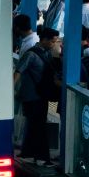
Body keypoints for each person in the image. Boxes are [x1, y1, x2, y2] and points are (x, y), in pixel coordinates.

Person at [16, 29, 53, 161]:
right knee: (38, 126)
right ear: (45, 40)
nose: (54, 44)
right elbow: (18, 71)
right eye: (53, 41)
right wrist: (13, 89)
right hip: (31, 96)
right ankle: (40, 156)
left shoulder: (47, 54)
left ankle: (29, 153)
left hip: (41, 96)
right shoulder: (31, 54)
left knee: (35, 125)